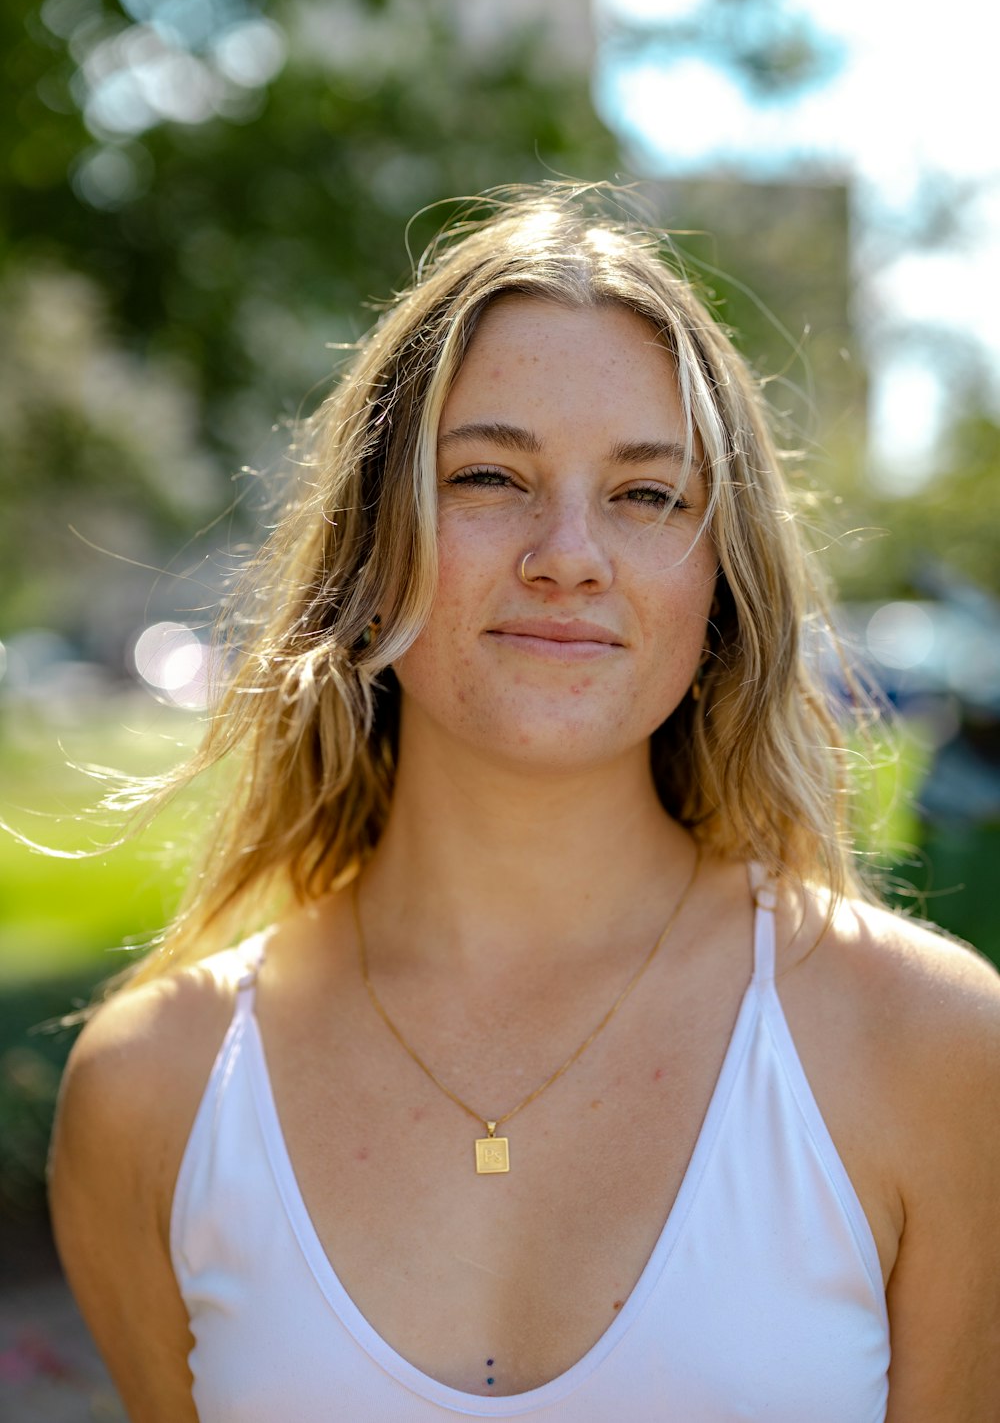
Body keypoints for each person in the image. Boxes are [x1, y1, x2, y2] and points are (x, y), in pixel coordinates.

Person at [49, 185, 1000, 1422]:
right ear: (368, 539)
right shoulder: (153, 1091)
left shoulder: (929, 1049)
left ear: (721, 577)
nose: (567, 554)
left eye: (647, 494)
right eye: (490, 476)